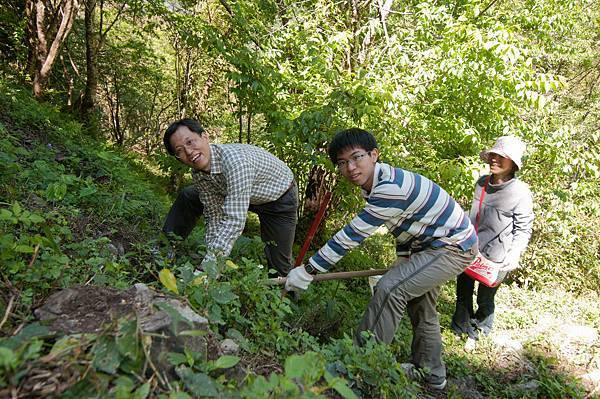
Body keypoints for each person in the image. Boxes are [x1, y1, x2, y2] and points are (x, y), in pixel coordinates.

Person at [285, 128, 478, 390]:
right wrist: (403, 261)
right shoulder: (379, 183)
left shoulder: (389, 189)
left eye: (357, 157)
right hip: (430, 245)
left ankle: (359, 374)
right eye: (342, 163)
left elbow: (351, 236)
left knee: (390, 289)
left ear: (374, 155)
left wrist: (308, 270)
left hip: (452, 247)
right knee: (421, 307)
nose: (351, 167)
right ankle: (432, 377)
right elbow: (404, 227)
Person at [162, 118, 298, 276]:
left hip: (278, 199)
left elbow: (234, 220)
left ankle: (287, 296)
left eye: (190, 142)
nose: (189, 152)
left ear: (205, 136)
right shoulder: (199, 174)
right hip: (238, 192)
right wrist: (211, 257)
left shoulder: (235, 162)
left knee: (279, 267)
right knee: (189, 195)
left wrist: (208, 268)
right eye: (179, 151)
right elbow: (214, 214)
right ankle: (163, 253)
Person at [451, 136, 534, 346]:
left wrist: (514, 255)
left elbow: (523, 228)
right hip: (470, 249)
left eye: (501, 157)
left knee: (485, 298)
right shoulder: (481, 183)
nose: (494, 160)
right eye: (493, 155)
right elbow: (473, 215)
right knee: (463, 292)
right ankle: (460, 329)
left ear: (513, 163)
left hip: (498, 256)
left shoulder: (520, 192)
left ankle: (480, 332)